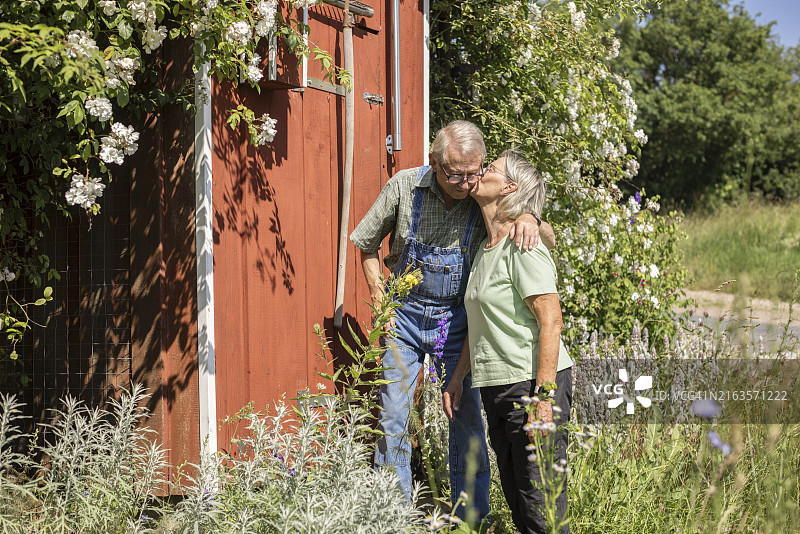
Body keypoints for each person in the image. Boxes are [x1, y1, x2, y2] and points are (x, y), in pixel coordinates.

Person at [349, 120, 555, 521]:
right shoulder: (404, 187)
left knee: (465, 417)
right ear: (434, 161)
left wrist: (531, 217)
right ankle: (392, 514)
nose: (465, 183)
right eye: (455, 174)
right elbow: (365, 242)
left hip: (457, 321)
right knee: (392, 411)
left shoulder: (481, 196)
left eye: (474, 173)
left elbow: (540, 228)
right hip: (403, 318)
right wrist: (379, 297)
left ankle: (471, 517)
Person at [442, 149, 573, 534]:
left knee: (541, 508)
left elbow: (551, 321)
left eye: (492, 169)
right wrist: (457, 376)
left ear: (510, 187)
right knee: (519, 504)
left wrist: (544, 398)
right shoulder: (488, 247)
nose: (482, 172)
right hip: (496, 389)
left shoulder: (522, 244)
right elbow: (481, 325)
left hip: (531, 384)